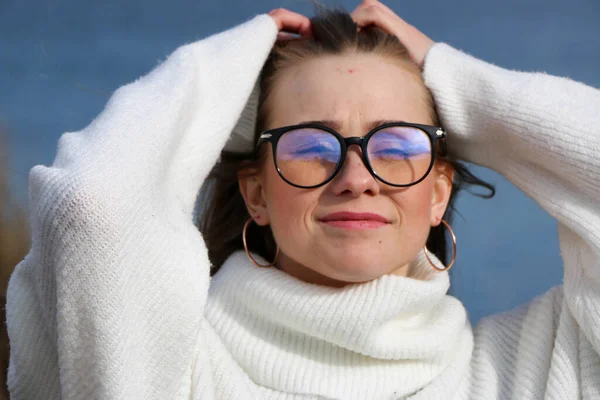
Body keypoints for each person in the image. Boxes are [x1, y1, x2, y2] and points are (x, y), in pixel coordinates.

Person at [6, 1, 600, 399]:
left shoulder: (521, 370)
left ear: (438, 192)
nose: (355, 176)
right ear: (256, 194)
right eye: (311, 145)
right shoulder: (172, 365)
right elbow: (94, 206)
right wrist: (227, 67)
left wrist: (459, 81)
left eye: (395, 145)